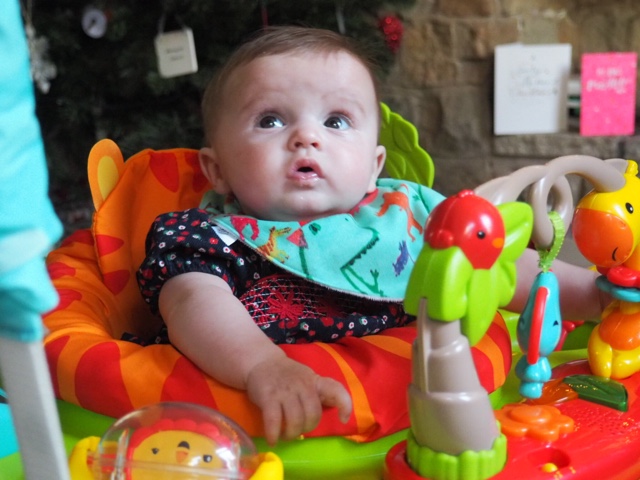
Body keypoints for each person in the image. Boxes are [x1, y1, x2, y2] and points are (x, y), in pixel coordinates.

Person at [137, 26, 606, 445]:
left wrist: (595, 294)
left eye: (336, 121)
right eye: (270, 120)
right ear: (217, 170)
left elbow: (495, 265)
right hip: (268, 431)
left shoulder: (407, 213)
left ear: (374, 167)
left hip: (420, 408)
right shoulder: (208, 236)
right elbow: (192, 303)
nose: (307, 137)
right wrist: (262, 365)